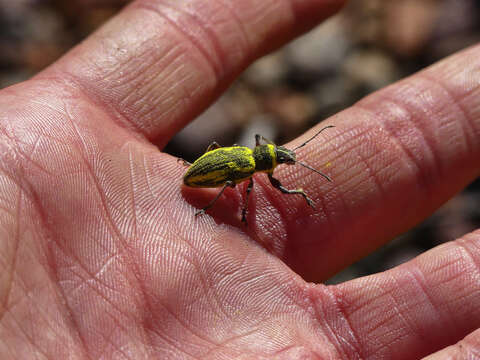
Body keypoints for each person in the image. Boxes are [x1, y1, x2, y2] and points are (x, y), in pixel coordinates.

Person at [0, 0, 478, 358]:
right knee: (234, 190)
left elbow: (276, 176)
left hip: (221, 162)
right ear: (267, 155)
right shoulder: (250, 167)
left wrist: (295, 179)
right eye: (282, 156)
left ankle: (215, 202)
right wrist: (271, 196)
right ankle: (211, 206)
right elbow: (268, 187)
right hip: (209, 174)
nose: (285, 161)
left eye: (283, 157)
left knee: (243, 184)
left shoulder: (255, 158)